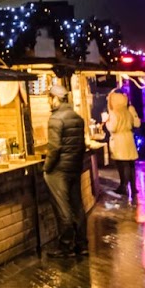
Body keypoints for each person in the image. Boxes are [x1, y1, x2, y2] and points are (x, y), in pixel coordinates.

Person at [43, 80, 88, 258]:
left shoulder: (55, 119)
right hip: (74, 168)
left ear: (55, 99)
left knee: (63, 208)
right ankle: (82, 244)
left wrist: (46, 168)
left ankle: (65, 246)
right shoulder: (77, 117)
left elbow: (54, 148)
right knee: (77, 206)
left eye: (49, 98)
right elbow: (81, 145)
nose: (48, 102)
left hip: (59, 170)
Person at [103, 88, 140, 204]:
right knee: (130, 163)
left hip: (119, 140)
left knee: (122, 164)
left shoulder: (114, 113)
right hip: (129, 138)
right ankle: (133, 187)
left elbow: (112, 128)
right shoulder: (127, 111)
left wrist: (107, 122)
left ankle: (123, 186)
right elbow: (135, 123)